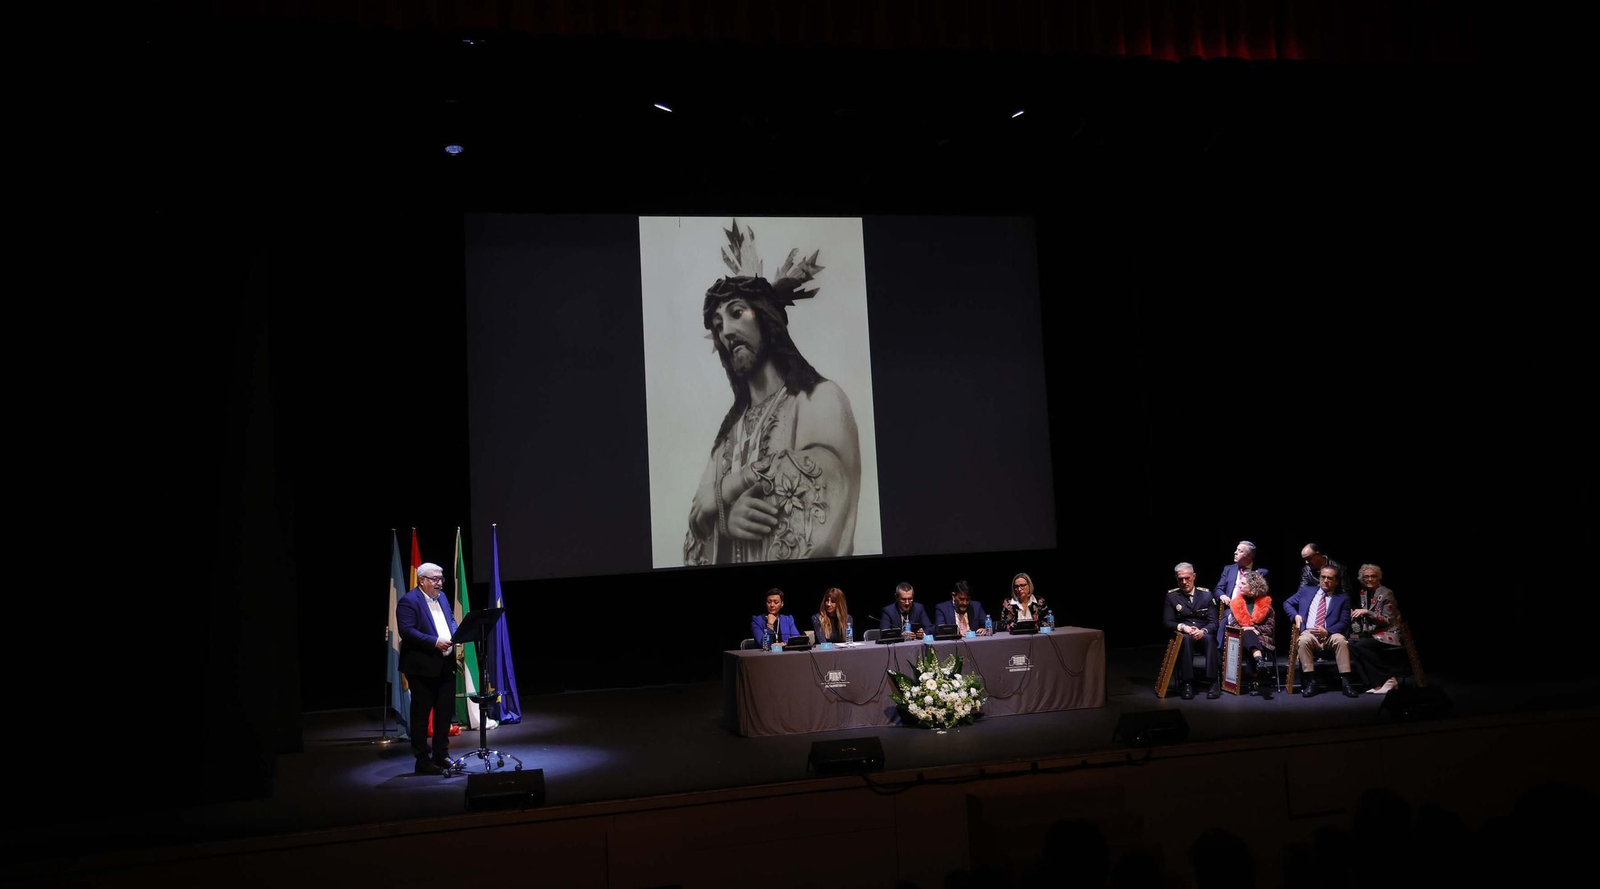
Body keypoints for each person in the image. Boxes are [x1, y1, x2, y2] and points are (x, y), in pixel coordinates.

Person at [684, 220, 863, 566]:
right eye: (719, 326)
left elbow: (827, 481)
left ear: (767, 319)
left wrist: (728, 487)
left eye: (737, 313)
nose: (727, 332)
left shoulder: (820, 398)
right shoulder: (726, 440)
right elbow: (697, 523)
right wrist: (725, 521)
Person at [395, 562, 458, 774]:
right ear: (422, 580)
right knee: (421, 715)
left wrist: (458, 634)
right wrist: (434, 642)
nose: (439, 583)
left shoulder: (443, 597)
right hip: (421, 667)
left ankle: (441, 754)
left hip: (445, 664)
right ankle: (422, 759)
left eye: (441, 579)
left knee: (445, 712)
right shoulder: (408, 601)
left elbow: (450, 620)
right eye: (435, 579)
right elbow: (407, 631)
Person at [1283, 564, 1360, 697]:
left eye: (1329, 578)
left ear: (1336, 581)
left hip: (1330, 633)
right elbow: (1287, 603)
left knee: (1341, 641)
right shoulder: (1306, 591)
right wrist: (1295, 616)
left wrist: (1327, 631)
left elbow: (1344, 622)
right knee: (1302, 641)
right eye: (1323, 577)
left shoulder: (1343, 598)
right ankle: (1310, 682)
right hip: (1310, 632)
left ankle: (1346, 682)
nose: (1325, 580)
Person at [1212, 568, 1275, 699]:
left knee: (1248, 636)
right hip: (1240, 638)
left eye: (1243, 584)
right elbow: (1234, 625)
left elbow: (1270, 628)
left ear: (1253, 586)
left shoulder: (1266, 604)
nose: (1239, 586)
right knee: (1246, 635)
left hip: (1262, 638)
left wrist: (1255, 629)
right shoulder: (1237, 604)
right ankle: (1258, 666)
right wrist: (1247, 629)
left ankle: (1255, 672)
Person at [1163, 562, 1217, 700]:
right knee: (1185, 639)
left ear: (1194, 576)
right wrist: (1183, 627)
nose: (1184, 582)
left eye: (1187, 578)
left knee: (1210, 639)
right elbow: (1167, 621)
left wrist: (1203, 631)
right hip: (1184, 632)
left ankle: (1213, 682)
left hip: (1203, 632)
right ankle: (1187, 683)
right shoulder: (1172, 596)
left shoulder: (1206, 595)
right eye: (1180, 579)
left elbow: (1213, 622)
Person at [1348, 563, 1404, 694]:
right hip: (1373, 632)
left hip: (1389, 632)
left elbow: (1387, 620)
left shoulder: (1386, 593)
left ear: (1378, 578)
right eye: (1366, 576)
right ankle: (1375, 684)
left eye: (1373, 576)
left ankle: (1388, 678)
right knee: (1350, 643)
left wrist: (1367, 612)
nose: (1369, 579)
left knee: (1362, 645)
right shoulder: (1364, 592)